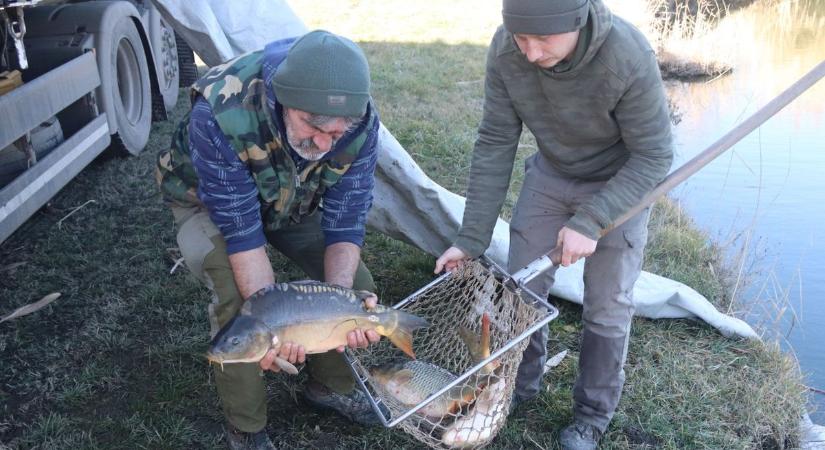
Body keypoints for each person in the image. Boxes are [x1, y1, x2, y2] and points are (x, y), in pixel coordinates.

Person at [434, 0, 674, 448]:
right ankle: (517, 385)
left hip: (620, 181)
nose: (529, 52)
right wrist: (470, 240)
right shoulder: (508, 50)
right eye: (521, 38)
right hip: (551, 172)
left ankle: (591, 415)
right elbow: (495, 140)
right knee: (521, 288)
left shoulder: (627, 56)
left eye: (542, 39)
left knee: (607, 302)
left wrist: (593, 220)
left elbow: (655, 156)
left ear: (576, 23)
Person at [156, 30, 383, 450]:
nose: (323, 143)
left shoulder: (361, 120)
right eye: (313, 126)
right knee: (235, 299)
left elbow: (347, 218)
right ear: (282, 101)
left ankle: (328, 387)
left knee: (358, 290)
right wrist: (272, 329)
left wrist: (341, 308)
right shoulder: (221, 112)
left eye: (337, 135)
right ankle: (247, 425)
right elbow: (241, 232)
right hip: (209, 205)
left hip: (293, 200)